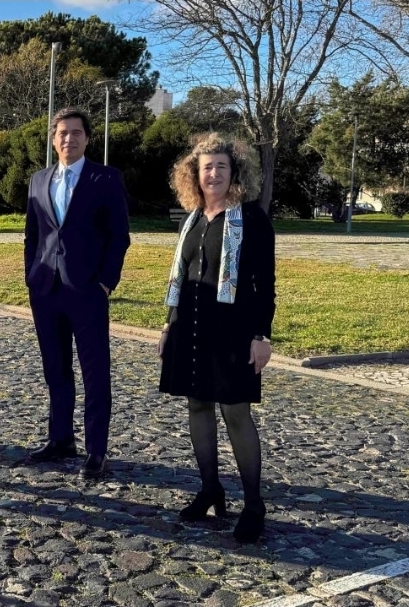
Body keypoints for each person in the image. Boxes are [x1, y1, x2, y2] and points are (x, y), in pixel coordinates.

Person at [158, 132, 276, 543]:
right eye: (207, 167)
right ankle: (210, 489)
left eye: (221, 166)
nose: (213, 174)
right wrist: (168, 326)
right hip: (191, 327)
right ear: (195, 174)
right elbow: (181, 277)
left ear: (234, 172)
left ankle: (254, 505)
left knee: (236, 412)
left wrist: (261, 335)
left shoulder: (252, 219)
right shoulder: (191, 219)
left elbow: (265, 284)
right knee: (197, 405)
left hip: (234, 331)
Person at [24, 107, 131, 480]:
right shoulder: (38, 180)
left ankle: (96, 451)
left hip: (87, 290)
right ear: (53, 139)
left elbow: (119, 236)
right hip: (46, 290)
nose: (69, 138)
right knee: (55, 369)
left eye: (76, 133)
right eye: (62, 133)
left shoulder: (106, 178)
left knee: (94, 371)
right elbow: (33, 235)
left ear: (87, 138)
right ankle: (60, 439)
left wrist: (105, 282)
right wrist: (31, 275)